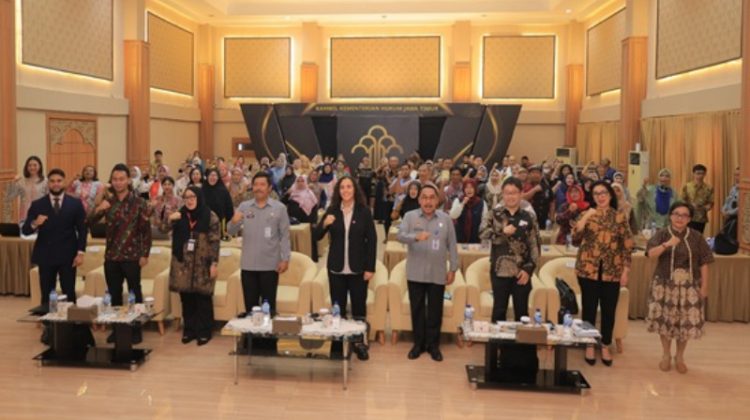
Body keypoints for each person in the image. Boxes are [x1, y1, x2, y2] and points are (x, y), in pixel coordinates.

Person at [645, 202, 714, 374]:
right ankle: (666, 354)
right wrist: (667, 244)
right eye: (676, 214)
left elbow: (705, 262)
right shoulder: (662, 234)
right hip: (664, 284)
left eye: (684, 215)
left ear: (689, 219)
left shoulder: (697, 237)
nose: (679, 218)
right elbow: (650, 254)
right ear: (670, 216)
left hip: (689, 286)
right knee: (665, 321)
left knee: (685, 323)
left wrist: (705, 286)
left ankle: (680, 356)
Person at [314, 176, 377, 361]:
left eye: (349, 187)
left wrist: (370, 268)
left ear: (354, 189)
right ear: (338, 191)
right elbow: (316, 235)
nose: (346, 190)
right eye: (342, 187)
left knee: (359, 309)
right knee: (337, 309)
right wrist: (324, 224)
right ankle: (337, 345)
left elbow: (372, 241)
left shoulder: (364, 211)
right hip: (336, 270)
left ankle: (359, 344)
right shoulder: (332, 210)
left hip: (358, 269)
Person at [88, 163, 152, 344]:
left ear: (128, 180)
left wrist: (145, 254)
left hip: (132, 257)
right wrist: (99, 208)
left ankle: (136, 330)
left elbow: (146, 231)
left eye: (121, 179)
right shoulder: (108, 203)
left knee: (135, 294)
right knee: (114, 295)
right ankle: (117, 330)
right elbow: (89, 222)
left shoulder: (139, 203)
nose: (118, 182)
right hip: (112, 257)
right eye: (115, 179)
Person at [22, 168, 87, 343]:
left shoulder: (75, 204)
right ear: (48, 184)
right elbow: (26, 230)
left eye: (59, 180)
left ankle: (70, 328)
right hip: (46, 255)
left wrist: (80, 252)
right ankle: (49, 329)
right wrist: (35, 223)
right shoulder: (38, 204)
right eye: (52, 181)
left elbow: (82, 230)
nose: (56, 184)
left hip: (68, 256)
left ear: (64, 182)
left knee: (69, 292)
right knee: (47, 293)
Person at [573, 181, 633, 366]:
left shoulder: (619, 217)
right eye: (596, 193)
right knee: (589, 308)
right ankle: (589, 343)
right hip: (588, 270)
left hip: (612, 270)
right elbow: (575, 237)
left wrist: (626, 271)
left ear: (610, 195)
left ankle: (605, 344)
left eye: (603, 193)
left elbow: (627, 246)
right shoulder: (586, 214)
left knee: (608, 310)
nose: (600, 196)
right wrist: (586, 216)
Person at [397, 183, 458, 362]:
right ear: (419, 199)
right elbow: (400, 236)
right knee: (416, 310)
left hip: (437, 272)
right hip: (415, 272)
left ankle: (433, 346)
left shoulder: (446, 219)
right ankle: (418, 344)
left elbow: (452, 245)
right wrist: (415, 237)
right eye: (424, 197)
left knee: (435, 311)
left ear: (437, 200)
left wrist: (453, 268)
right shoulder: (410, 216)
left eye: (432, 198)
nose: (428, 201)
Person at [161, 186, 221, 346]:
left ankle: (204, 331)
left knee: (203, 299)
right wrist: (169, 219)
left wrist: (214, 263)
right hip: (183, 265)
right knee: (186, 299)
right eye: (187, 197)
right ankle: (189, 330)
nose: (190, 200)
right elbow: (162, 229)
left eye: (193, 197)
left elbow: (215, 242)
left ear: (199, 197)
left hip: (203, 264)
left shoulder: (210, 216)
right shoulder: (179, 215)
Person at [228, 172, 290, 316]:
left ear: (269, 188)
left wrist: (285, 259)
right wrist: (234, 221)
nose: (258, 188)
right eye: (255, 184)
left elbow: (285, 236)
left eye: (262, 184)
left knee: (269, 308)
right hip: (248, 266)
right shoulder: (244, 206)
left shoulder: (279, 208)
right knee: (251, 309)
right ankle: (251, 331)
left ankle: (268, 331)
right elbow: (230, 231)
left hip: (270, 266)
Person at [479, 177, 540, 322]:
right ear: (502, 194)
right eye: (507, 193)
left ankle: (520, 338)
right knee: (499, 311)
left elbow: (535, 245)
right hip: (500, 270)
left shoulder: (529, 216)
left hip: (522, 272)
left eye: (514, 193)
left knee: (522, 313)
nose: (510, 196)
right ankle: (496, 337)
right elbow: (482, 233)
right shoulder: (494, 214)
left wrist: (529, 269)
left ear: (521, 194)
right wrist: (501, 232)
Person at [4, 155, 48, 222]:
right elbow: (10, 196)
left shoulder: (45, 181)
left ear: (40, 166)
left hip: (40, 214)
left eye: (35, 165)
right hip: (24, 214)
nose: (32, 167)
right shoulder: (21, 181)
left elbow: (49, 199)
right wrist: (14, 182)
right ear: (26, 167)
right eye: (29, 165)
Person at [449, 179, 488, 244]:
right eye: (466, 187)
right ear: (463, 189)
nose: (469, 190)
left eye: (471, 187)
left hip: (476, 237)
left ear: (475, 189)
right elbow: (453, 215)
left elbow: (484, 220)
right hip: (459, 237)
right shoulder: (458, 200)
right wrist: (462, 204)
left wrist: (480, 234)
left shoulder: (481, 202)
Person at [202, 168, 234, 240]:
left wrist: (228, 224)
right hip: (205, 222)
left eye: (215, 175)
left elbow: (229, 208)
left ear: (218, 178)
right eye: (210, 175)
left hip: (220, 223)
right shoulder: (202, 190)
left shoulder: (223, 191)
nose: (212, 177)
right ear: (207, 177)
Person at [681, 164, 714, 234]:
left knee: (698, 237)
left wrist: (708, 206)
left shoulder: (709, 188)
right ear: (693, 174)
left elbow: (711, 202)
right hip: (688, 216)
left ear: (705, 174)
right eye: (698, 173)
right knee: (687, 236)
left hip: (701, 217)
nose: (700, 176)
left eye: (702, 173)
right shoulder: (687, 186)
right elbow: (682, 200)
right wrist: (690, 204)